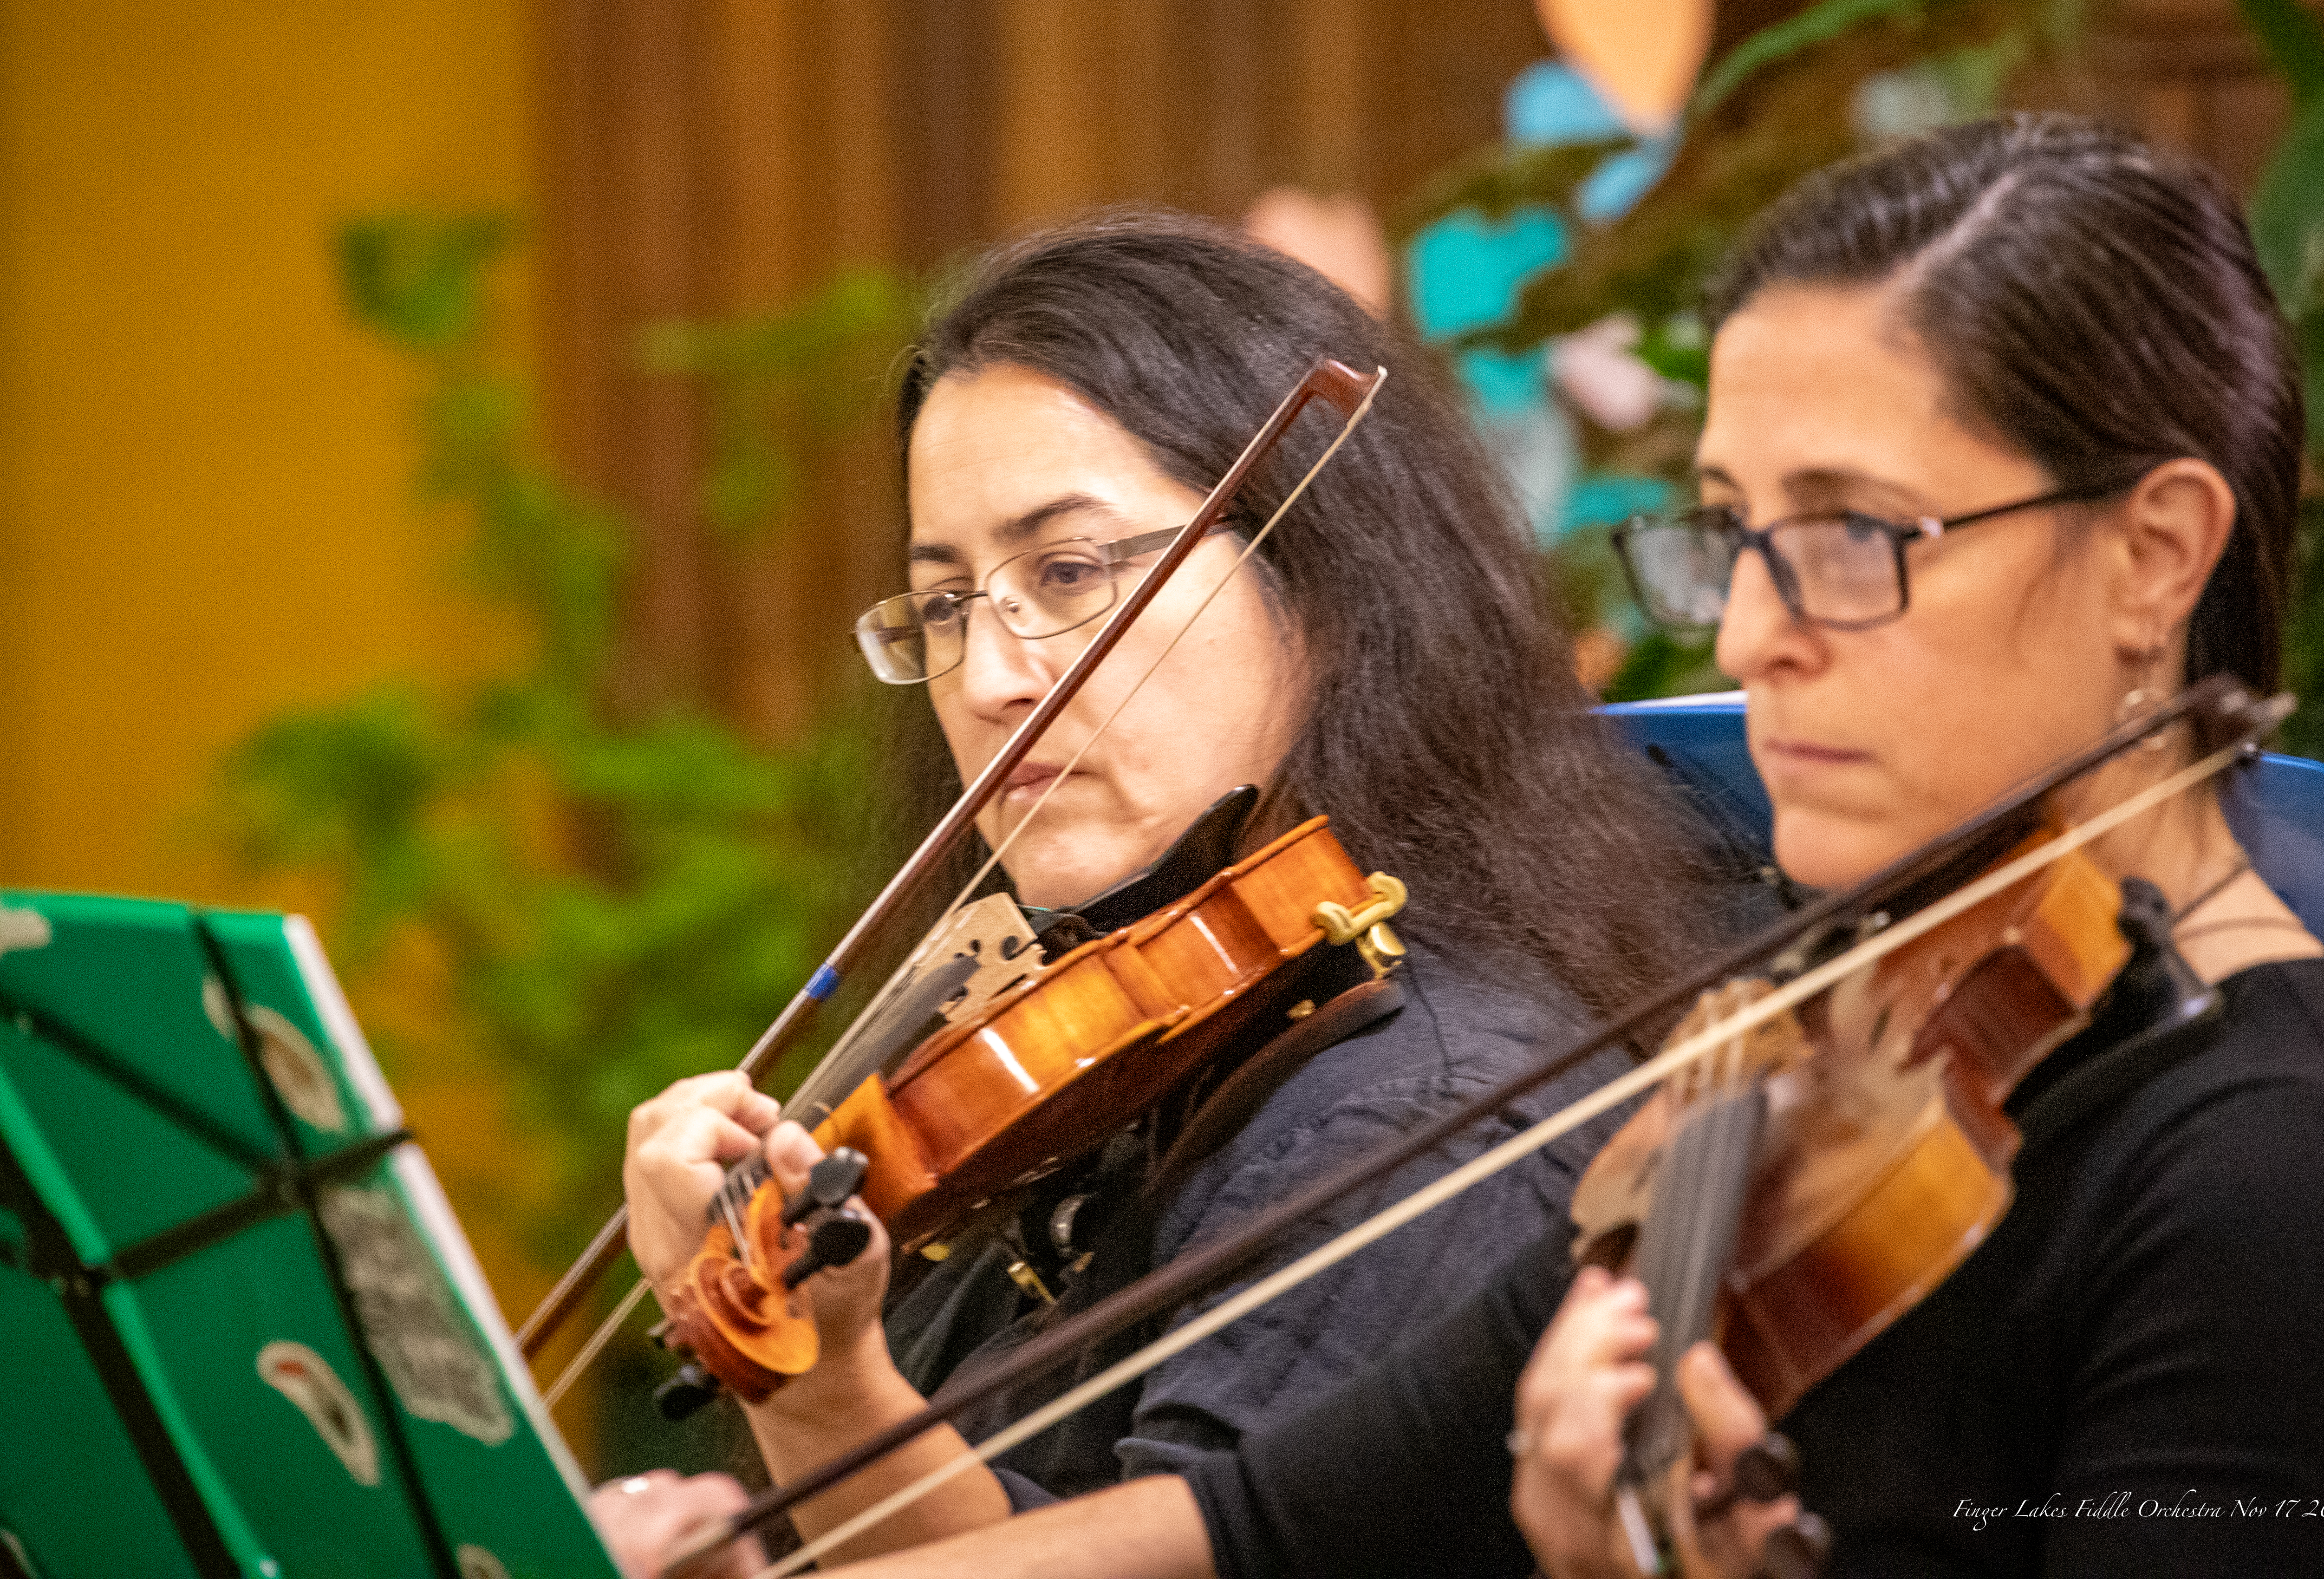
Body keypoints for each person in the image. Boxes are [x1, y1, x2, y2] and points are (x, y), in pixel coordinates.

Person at [604, 115, 2324, 1579]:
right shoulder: (1825, 1068)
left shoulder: (2285, 1170)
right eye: (1733, 533)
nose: (1756, 631)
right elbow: (1239, 1537)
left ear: (2155, 555)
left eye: (1852, 534)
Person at [610, 210, 1723, 1561]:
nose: (989, 681)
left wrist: (822, 1391)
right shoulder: (1109, 1043)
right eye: (948, 602)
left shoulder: (1419, 1106)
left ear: (1323, 582)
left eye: (1070, 574)